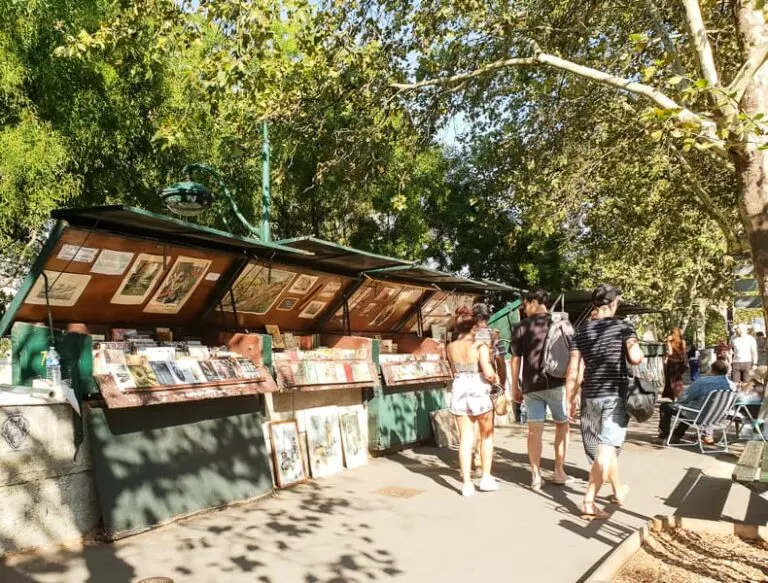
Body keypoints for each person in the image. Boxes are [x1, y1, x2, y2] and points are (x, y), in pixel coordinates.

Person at [566, 284, 645, 520]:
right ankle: (588, 502)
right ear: (613, 304)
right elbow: (636, 357)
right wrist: (635, 349)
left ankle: (618, 491)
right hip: (614, 396)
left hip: (590, 396)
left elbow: (573, 370)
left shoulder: (581, 331)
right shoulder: (623, 327)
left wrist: (570, 399)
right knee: (607, 449)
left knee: (606, 445)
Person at [510, 289, 572, 490]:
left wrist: (514, 386)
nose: (524, 309)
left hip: (531, 386)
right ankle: (559, 471)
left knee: (534, 431)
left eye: (525, 304)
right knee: (562, 426)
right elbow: (574, 354)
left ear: (534, 302)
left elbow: (515, 360)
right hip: (557, 383)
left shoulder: (522, 327)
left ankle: (536, 476)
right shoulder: (560, 322)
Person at [447, 305, 500, 496]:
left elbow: (453, 369)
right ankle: (486, 477)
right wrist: (496, 379)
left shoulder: (450, 347)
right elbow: (488, 372)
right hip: (478, 389)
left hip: (459, 388)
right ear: (473, 326)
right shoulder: (479, 345)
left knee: (465, 438)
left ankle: (467, 483)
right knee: (486, 435)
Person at [657, 359, 735, 443]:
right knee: (691, 408)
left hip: (698, 415)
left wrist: (679, 400)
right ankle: (676, 435)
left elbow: (685, 397)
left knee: (666, 406)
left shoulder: (703, 382)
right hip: (717, 417)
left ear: (712, 370)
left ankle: (664, 436)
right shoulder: (731, 385)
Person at [663, 328, 687, 400]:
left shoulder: (670, 341)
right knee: (679, 378)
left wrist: (666, 359)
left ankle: (673, 396)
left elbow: (670, 352)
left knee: (672, 379)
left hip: (672, 362)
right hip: (680, 362)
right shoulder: (683, 341)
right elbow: (684, 353)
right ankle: (679, 394)